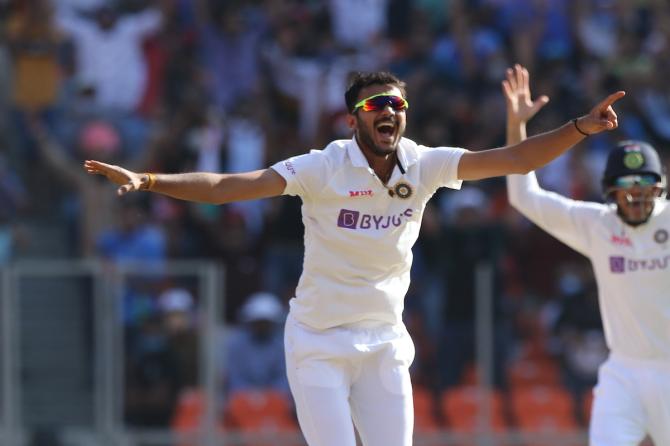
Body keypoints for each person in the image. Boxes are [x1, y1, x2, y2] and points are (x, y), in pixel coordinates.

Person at [84, 66, 623, 446]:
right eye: (375, 105)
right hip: (318, 343)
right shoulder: (323, 167)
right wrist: (149, 178)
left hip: (384, 342)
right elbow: (228, 185)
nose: (389, 111)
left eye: (397, 104)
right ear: (353, 121)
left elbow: (516, 158)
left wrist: (580, 127)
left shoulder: (423, 163)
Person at [503, 65, 669, 445]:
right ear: (610, 192)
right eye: (627, 189)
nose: (636, 197)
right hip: (622, 374)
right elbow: (524, 197)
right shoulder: (599, 225)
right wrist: (516, 128)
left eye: (644, 188)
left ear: (660, 189)